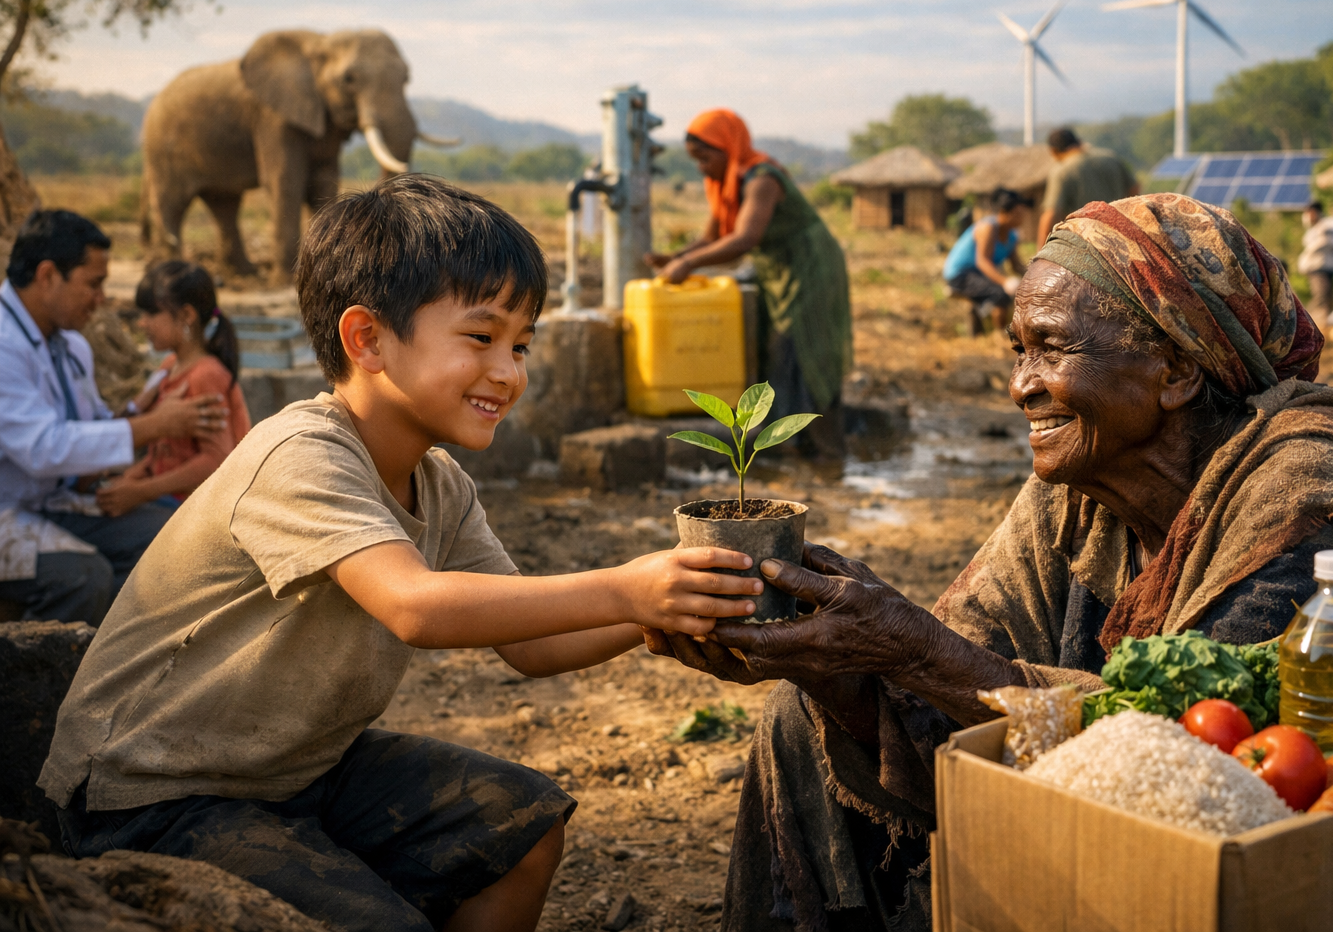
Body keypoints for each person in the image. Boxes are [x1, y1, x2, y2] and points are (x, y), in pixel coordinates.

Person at [647, 193, 1333, 932]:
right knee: (800, 721)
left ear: (1176, 370)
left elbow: (1196, 761)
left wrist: (908, 649)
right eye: (1018, 350)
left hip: (1283, 870)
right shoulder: (1083, 481)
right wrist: (833, 658)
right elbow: (958, 657)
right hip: (1124, 815)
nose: (1022, 385)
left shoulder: (1306, 495)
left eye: (1050, 348)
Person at [40, 175, 766, 932]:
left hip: (295, 769)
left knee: (524, 831)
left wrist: (677, 600)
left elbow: (536, 643)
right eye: (482, 338)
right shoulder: (299, 453)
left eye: (521, 344)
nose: (509, 371)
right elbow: (413, 605)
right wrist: (627, 590)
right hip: (152, 791)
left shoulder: (438, 482)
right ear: (368, 339)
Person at [0, 210, 228, 625]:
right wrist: (154, 426)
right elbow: (44, 448)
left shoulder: (69, 345)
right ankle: (54, 676)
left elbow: (94, 424)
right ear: (48, 276)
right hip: (10, 508)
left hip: (57, 499)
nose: (102, 298)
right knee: (85, 578)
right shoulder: (4, 345)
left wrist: (141, 422)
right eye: (94, 284)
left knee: (171, 538)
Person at [644, 109, 852, 458]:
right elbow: (712, 236)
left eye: (705, 157)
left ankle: (819, 446)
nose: (701, 168)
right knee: (775, 346)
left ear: (728, 147)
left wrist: (689, 263)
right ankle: (792, 442)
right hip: (777, 268)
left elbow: (743, 239)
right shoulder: (727, 183)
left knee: (801, 347)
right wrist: (674, 257)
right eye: (695, 160)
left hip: (809, 265)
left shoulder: (761, 178)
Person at [93, 261, 254, 517]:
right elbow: (167, 451)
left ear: (187, 316)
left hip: (198, 511)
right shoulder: (169, 367)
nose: (142, 324)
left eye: (151, 314)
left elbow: (216, 461)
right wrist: (131, 479)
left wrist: (142, 491)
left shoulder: (205, 375)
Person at [1035, 127, 1139, 247]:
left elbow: (1051, 213)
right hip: (1121, 236)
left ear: (1053, 151)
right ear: (1078, 141)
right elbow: (1134, 189)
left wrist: (1040, 252)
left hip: (1086, 242)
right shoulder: (1111, 158)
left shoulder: (1061, 171)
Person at [943, 189, 1029, 334]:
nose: (1021, 218)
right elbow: (982, 261)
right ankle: (1000, 335)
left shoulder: (1011, 236)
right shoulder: (988, 228)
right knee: (999, 294)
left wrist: (1034, 278)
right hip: (960, 275)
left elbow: (1016, 265)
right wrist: (1004, 281)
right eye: (1017, 214)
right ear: (1003, 213)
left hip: (977, 275)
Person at [1296, 200, 1333, 315]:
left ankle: (1316, 320)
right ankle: (1313, 319)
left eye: (1309, 213)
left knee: (1326, 297)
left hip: (1326, 267)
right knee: (1321, 296)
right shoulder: (1314, 230)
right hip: (1317, 269)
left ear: (1315, 212)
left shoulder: (1328, 227)